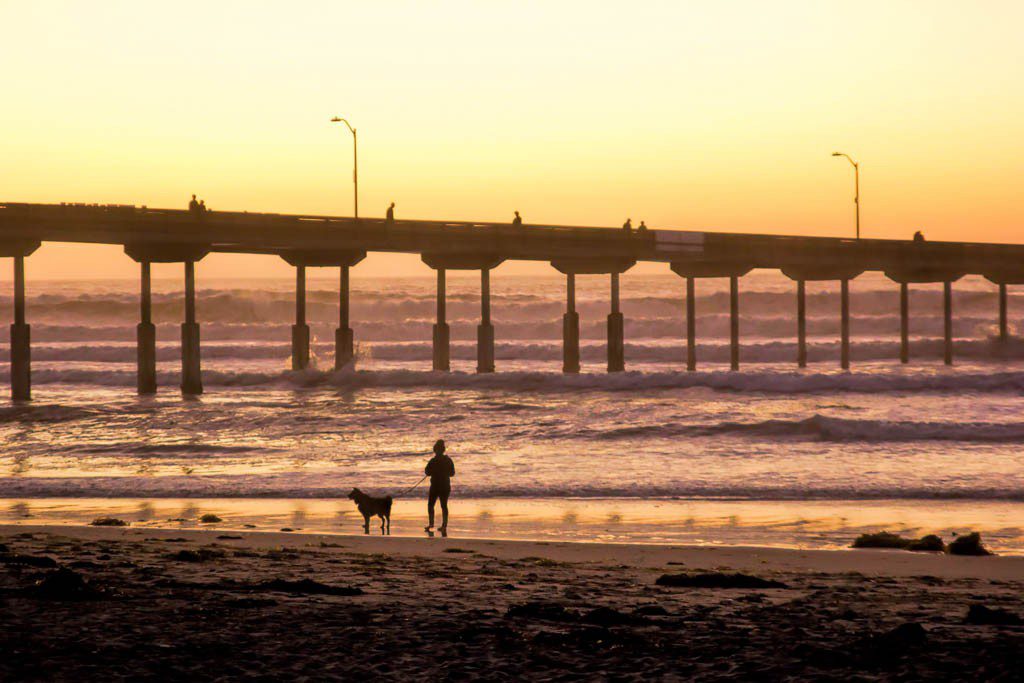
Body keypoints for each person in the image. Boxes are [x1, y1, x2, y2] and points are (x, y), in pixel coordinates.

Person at [424, 439, 455, 534]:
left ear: (436, 450)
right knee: (443, 505)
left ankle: (432, 524)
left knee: (431, 505)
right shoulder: (448, 460)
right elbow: (452, 473)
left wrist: (435, 471)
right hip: (444, 485)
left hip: (436, 486)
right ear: (443, 450)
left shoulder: (433, 461)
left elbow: (427, 472)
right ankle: (443, 526)